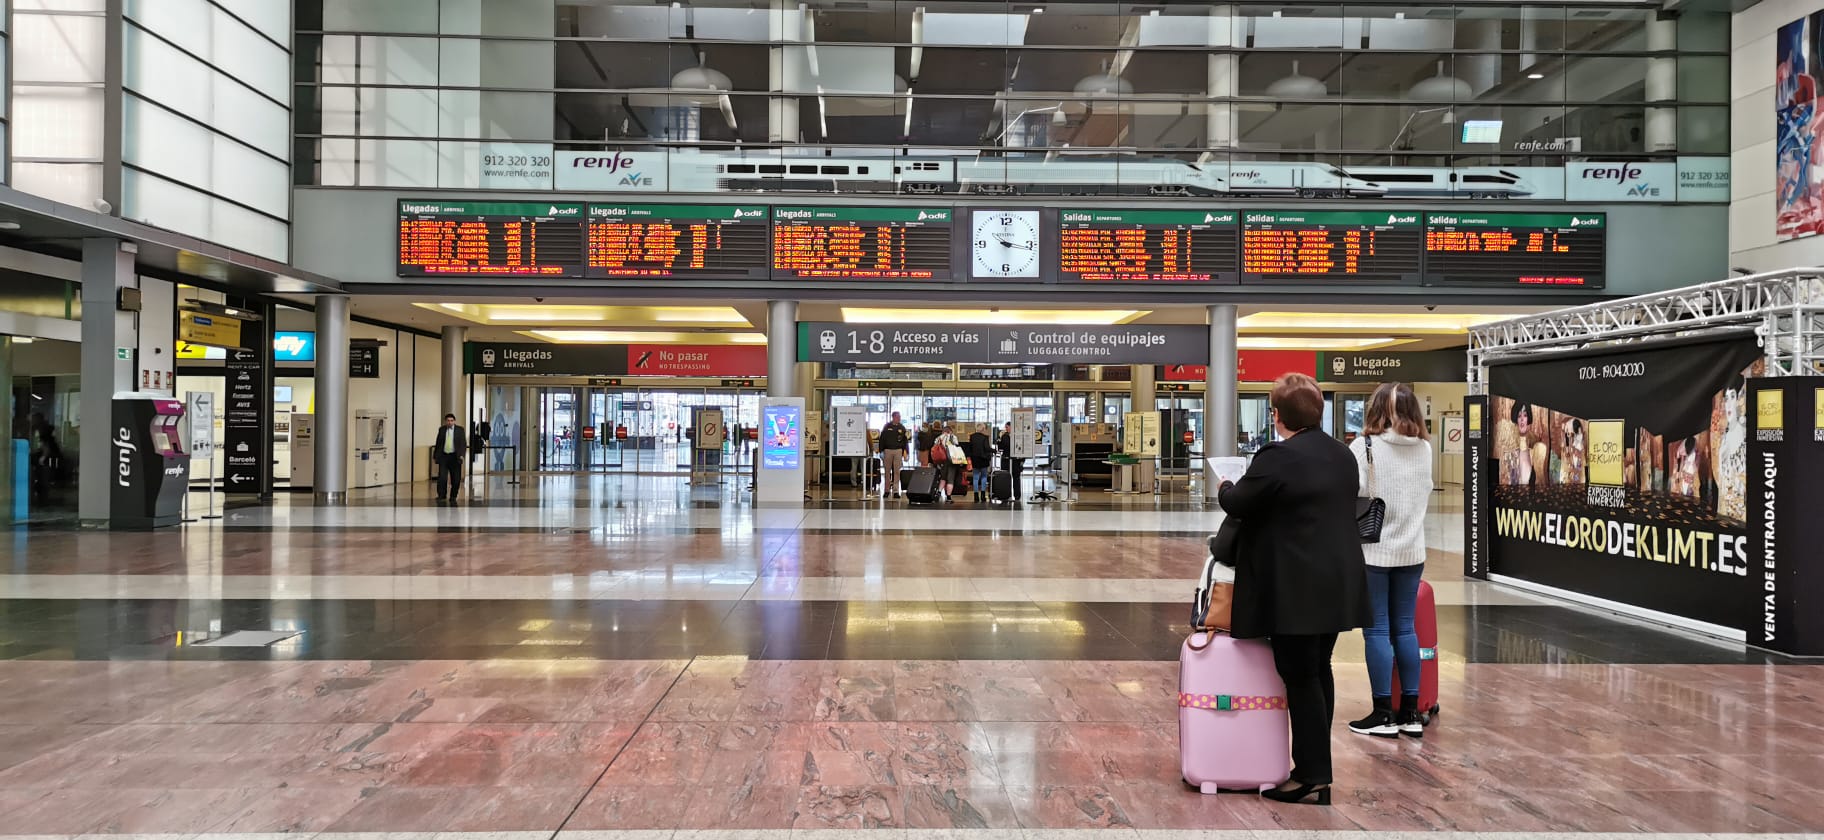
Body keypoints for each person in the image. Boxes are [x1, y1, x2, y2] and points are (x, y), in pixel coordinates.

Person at [1216, 373, 1370, 806]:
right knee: (1320, 670)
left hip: (1296, 587)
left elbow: (1238, 502)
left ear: (1277, 415)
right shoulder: (1343, 455)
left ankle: (1311, 775)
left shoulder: (1277, 456)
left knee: (1299, 677)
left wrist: (1225, 486)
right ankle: (1317, 767)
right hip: (1337, 582)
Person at [1344, 382, 1434, 740]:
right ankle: (1411, 712)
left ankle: (1383, 713)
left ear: (1376, 410)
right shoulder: (1425, 449)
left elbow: (1354, 493)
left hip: (1374, 552)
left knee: (1378, 629)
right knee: (1406, 628)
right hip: (1413, 552)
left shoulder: (1362, 447)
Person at [434, 413, 467, 503]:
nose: (450, 422)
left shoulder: (460, 430)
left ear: (454, 421)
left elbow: (463, 444)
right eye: (448, 421)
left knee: (456, 478)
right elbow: (438, 443)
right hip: (444, 456)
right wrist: (436, 456)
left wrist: (462, 455)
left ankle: (453, 496)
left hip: (455, 457)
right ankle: (441, 495)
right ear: (445, 421)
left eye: (451, 421)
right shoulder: (442, 430)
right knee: (442, 477)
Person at [878, 412, 910, 499]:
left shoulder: (902, 427)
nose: (899, 418)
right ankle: (886, 490)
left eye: (899, 417)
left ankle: (896, 491)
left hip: (898, 451)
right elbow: (882, 439)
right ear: (893, 417)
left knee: (897, 472)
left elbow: (905, 441)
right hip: (888, 450)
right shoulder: (887, 426)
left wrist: (906, 452)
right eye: (897, 417)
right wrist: (881, 451)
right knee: (887, 471)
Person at [934, 423, 965, 503]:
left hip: (941, 460)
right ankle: (948, 497)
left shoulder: (939, 438)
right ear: (950, 431)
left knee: (943, 477)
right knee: (950, 479)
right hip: (951, 460)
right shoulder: (953, 437)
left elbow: (935, 448)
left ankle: (938, 493)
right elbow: (957, 447)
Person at [998, 421, 1024, 503]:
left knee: (1016, 478)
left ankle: (1017, 496)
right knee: (1006, 478)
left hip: (1016, 460)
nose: (1006, 429)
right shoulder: (1004, 436)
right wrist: (999, 440)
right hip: (1006, 459)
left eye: (1007, 427)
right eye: (1005, 427)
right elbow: (1001, 447)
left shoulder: (1018, 436)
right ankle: (1006, 495)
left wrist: (1022, 460)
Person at [968, 424, 994, 502]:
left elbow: (970, 448)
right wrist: (994, 450)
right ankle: (983, 496)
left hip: (975, 459)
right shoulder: (985, 437)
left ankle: (976, 496)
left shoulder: (972, 436)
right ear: (983, 429)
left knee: (975, 477)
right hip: (983, 460)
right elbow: (987, 448)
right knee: (984, 476)